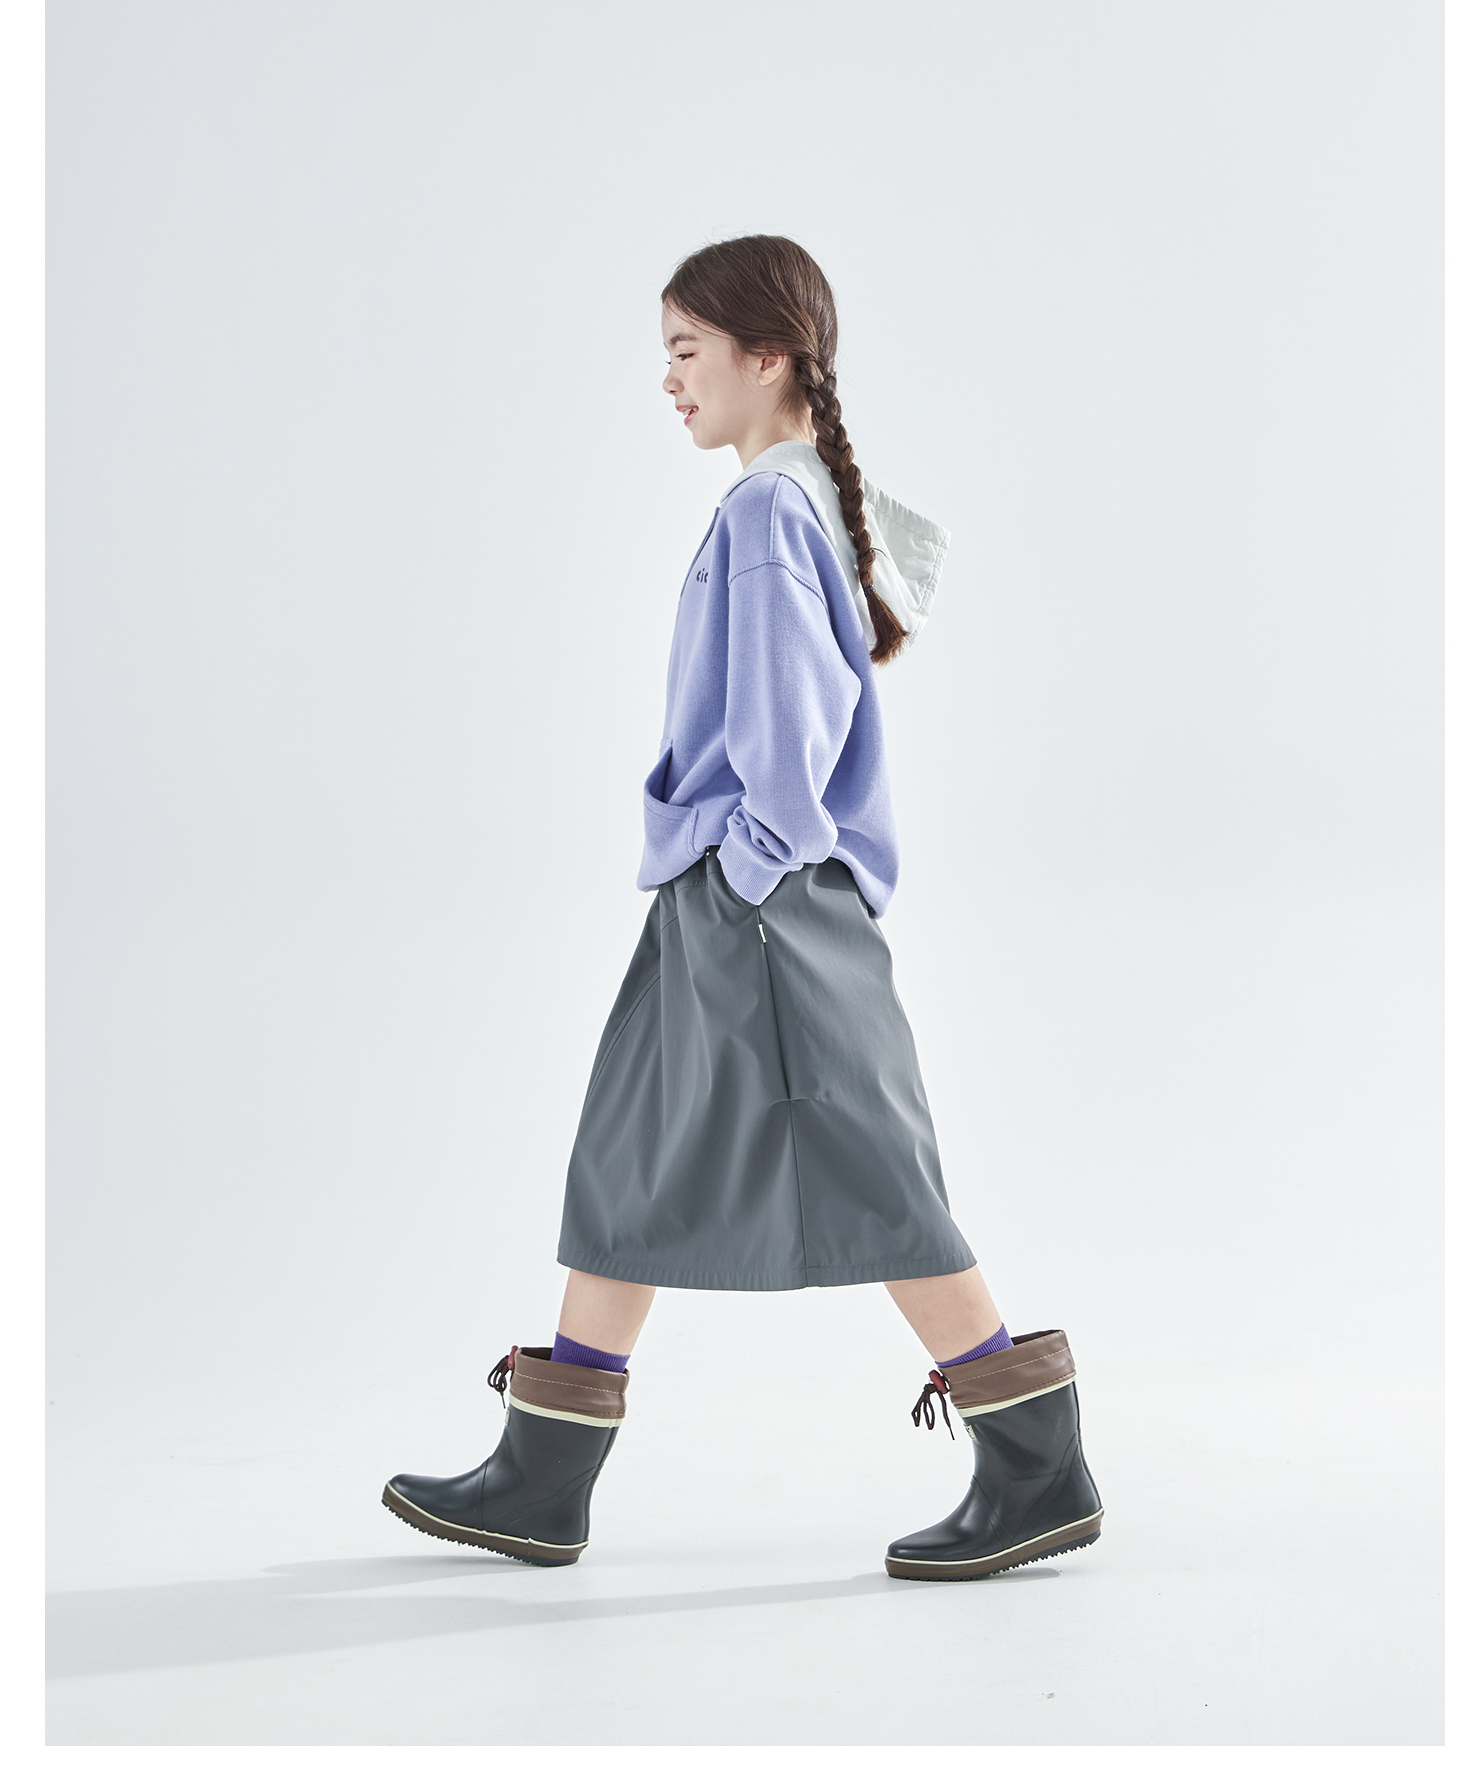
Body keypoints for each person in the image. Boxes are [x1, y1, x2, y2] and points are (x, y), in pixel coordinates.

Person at [383, 235, 1102, 1581]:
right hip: (725, 895)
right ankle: (543, 1476)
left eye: (686, 351)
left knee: (875, 1174)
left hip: (759, 900)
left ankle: (1035, 1463)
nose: (669, 380)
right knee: (628, 1156)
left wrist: (750, 867)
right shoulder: (787, 502)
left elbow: (787, 740)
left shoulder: (768, 515)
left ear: (767, 357)